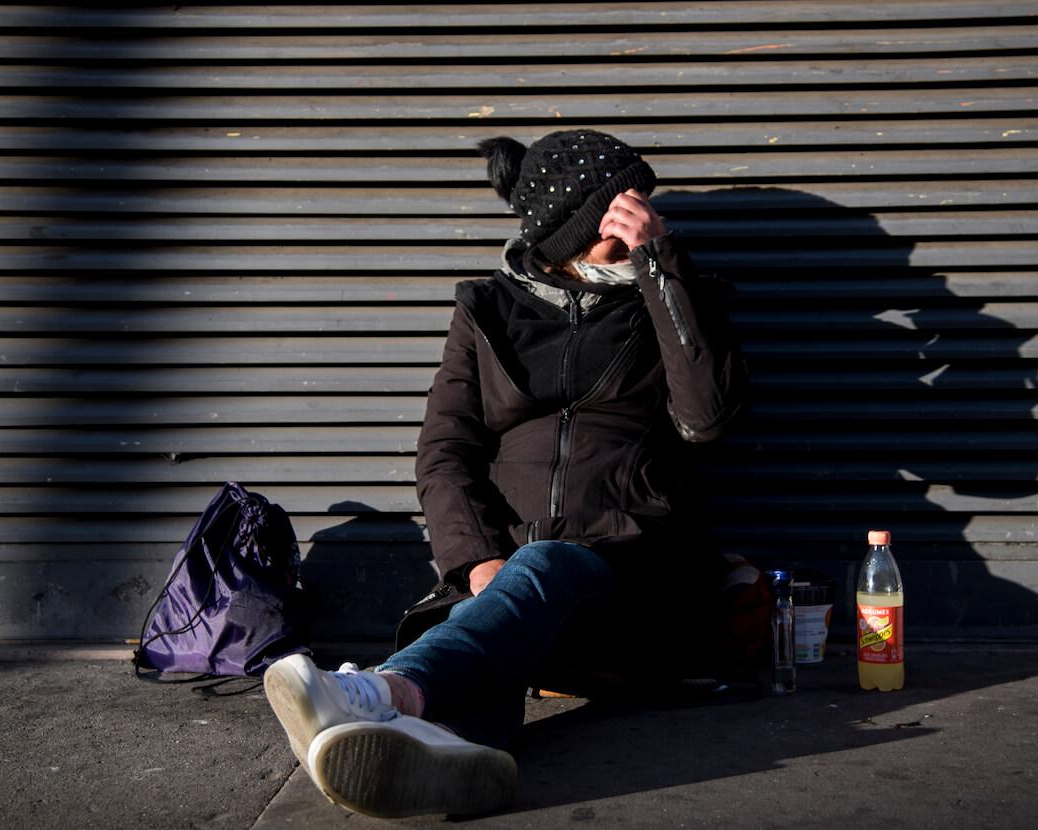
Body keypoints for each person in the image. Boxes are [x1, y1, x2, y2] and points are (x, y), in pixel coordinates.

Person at [263, 129, 749, 818]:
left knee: (546, 566)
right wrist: (475, 560)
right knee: (488, 652)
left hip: (629, 575)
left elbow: (707, 419)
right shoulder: (487, 310)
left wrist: (659, 263)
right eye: (624, 199)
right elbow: (444, 451)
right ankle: (454, 760)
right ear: (581, 221)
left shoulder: (670, 297)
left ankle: (382, 693)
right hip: (507, 586)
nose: (641, 208)